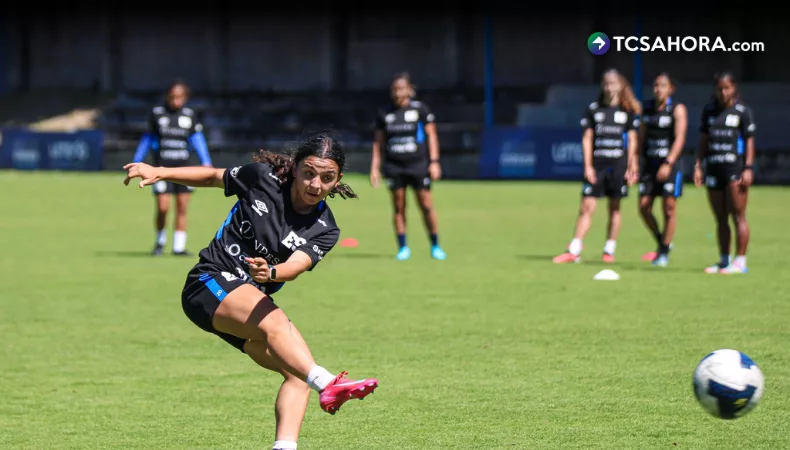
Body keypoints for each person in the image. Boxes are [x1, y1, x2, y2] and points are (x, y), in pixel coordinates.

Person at [123, 133, 379, 450]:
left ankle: (285, 446)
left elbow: (297, 265)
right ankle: (328, 384)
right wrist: (161, 171)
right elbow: (213, 176)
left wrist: (272, 272)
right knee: (278, 328)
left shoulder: (326, 227)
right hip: (208, 281)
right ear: (296, 168)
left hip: (248, 302)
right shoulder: (262, 179)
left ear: (337, 179)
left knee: (298, 373)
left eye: (326, 178)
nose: (315, 184)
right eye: (309, 173)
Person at [553, 69, 641, 264]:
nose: (609, 87)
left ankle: (609, 249)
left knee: (615, 208)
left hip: (618, 165)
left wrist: (631, 166)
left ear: (620, 86)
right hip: (597, 165)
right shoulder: (594, 109)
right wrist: (588, 166)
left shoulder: (627, 112)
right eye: (606, 84)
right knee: (586, 207)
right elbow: (587, 139)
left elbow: (633, 141)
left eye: (613, 83)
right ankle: (574, 249)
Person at [370, 72, 446, 261]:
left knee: (426, 206)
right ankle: (403, 247)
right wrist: (374, 168)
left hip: (418, 165)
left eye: (401, 89)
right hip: (395, 166)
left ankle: (435, 245)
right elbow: (378, 143)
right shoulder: (385, 113)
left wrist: (434, 162)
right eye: (395, 89)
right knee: (398, 207)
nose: (397, 93)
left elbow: (432, 135)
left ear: (409, 90)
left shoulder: (420, 110)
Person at [132, 80, 213, 256]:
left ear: (185, 98)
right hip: (161, 169)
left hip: (185, 169)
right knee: (163, 207)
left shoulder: (189, 116)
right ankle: (160, 243)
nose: (176, 101)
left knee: (182, 206)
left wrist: (206, 161)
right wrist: (137, 160)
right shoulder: (157, 114)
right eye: (173, 97)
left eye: (180, 97)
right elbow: (148, 139)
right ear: (167, 96)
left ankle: (179, 247)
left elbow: (197, 139)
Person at [693, 72, 756, 274]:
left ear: (734, 88)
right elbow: (703, 140)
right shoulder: (709, 111)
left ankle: (740, 261)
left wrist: (748, 167)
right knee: (720, 217)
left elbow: (749, 141)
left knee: (738, 215)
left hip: (734, 169)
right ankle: (724, 259)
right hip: (714, 168)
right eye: (719, 88)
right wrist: (698, 164)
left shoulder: (742, 111)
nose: (723, 92)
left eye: (727, 88)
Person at [637, 73, 688, 267]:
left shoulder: (677, 109)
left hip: (670, 165)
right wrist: (634, 161)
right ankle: (662, 242)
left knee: (668, 208)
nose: (658, 89)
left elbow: (680, 138)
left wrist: (668, 163)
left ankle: (664, 252)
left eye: (663, 86)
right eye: (656, 85)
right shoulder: (647, 108)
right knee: (644, 207)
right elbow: (641, 137)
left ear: (671, 89)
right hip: (649, 165)